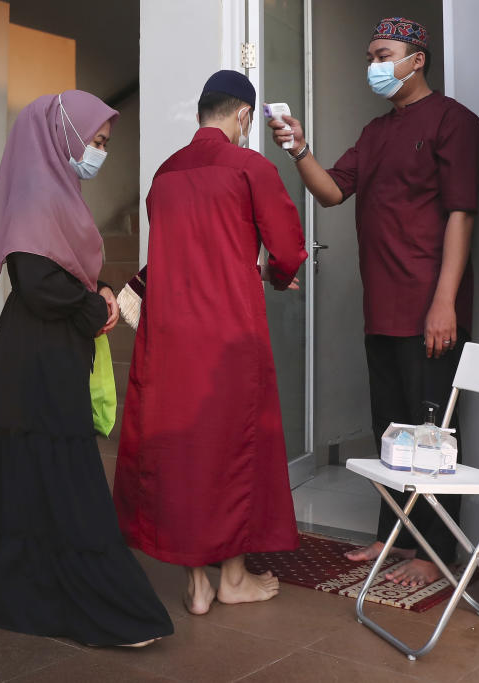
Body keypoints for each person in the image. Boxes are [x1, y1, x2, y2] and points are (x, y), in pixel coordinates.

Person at [0, 90, 173, 647]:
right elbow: (38, 282)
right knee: (59, 471)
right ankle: (91, 602)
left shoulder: (59, 191)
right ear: (62, 134)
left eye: (105, 143)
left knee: (34, 470)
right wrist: (95, 305)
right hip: (36, 353)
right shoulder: (39, 190)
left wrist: (102, 291)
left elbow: (70, 271)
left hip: (48, 349)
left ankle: (19, 587)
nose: (98, 153)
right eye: (95, 140)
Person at [267, 17, 479, 587]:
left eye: (382, 54)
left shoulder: (455, 123)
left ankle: (434, 551)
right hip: (382, 306)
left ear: (417, 59)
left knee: (432, 430)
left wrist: (446, 303)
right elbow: (333, 191)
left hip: (429, 307)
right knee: (392, 430)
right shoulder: (374, 132)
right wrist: (299, 148)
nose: (373, 66)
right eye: (369, 56)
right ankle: (392, 536)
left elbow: (461, 214)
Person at [113, 70, 308, 616]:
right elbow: (287, 249)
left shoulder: (165, 173)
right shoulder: (250, 166)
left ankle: (196, 583)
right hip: (227, 336)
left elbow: (174, 250)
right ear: (243, 114)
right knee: (231, 452)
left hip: (168, 335)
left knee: (179, 451)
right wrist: (275, 273)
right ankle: (234, 578)